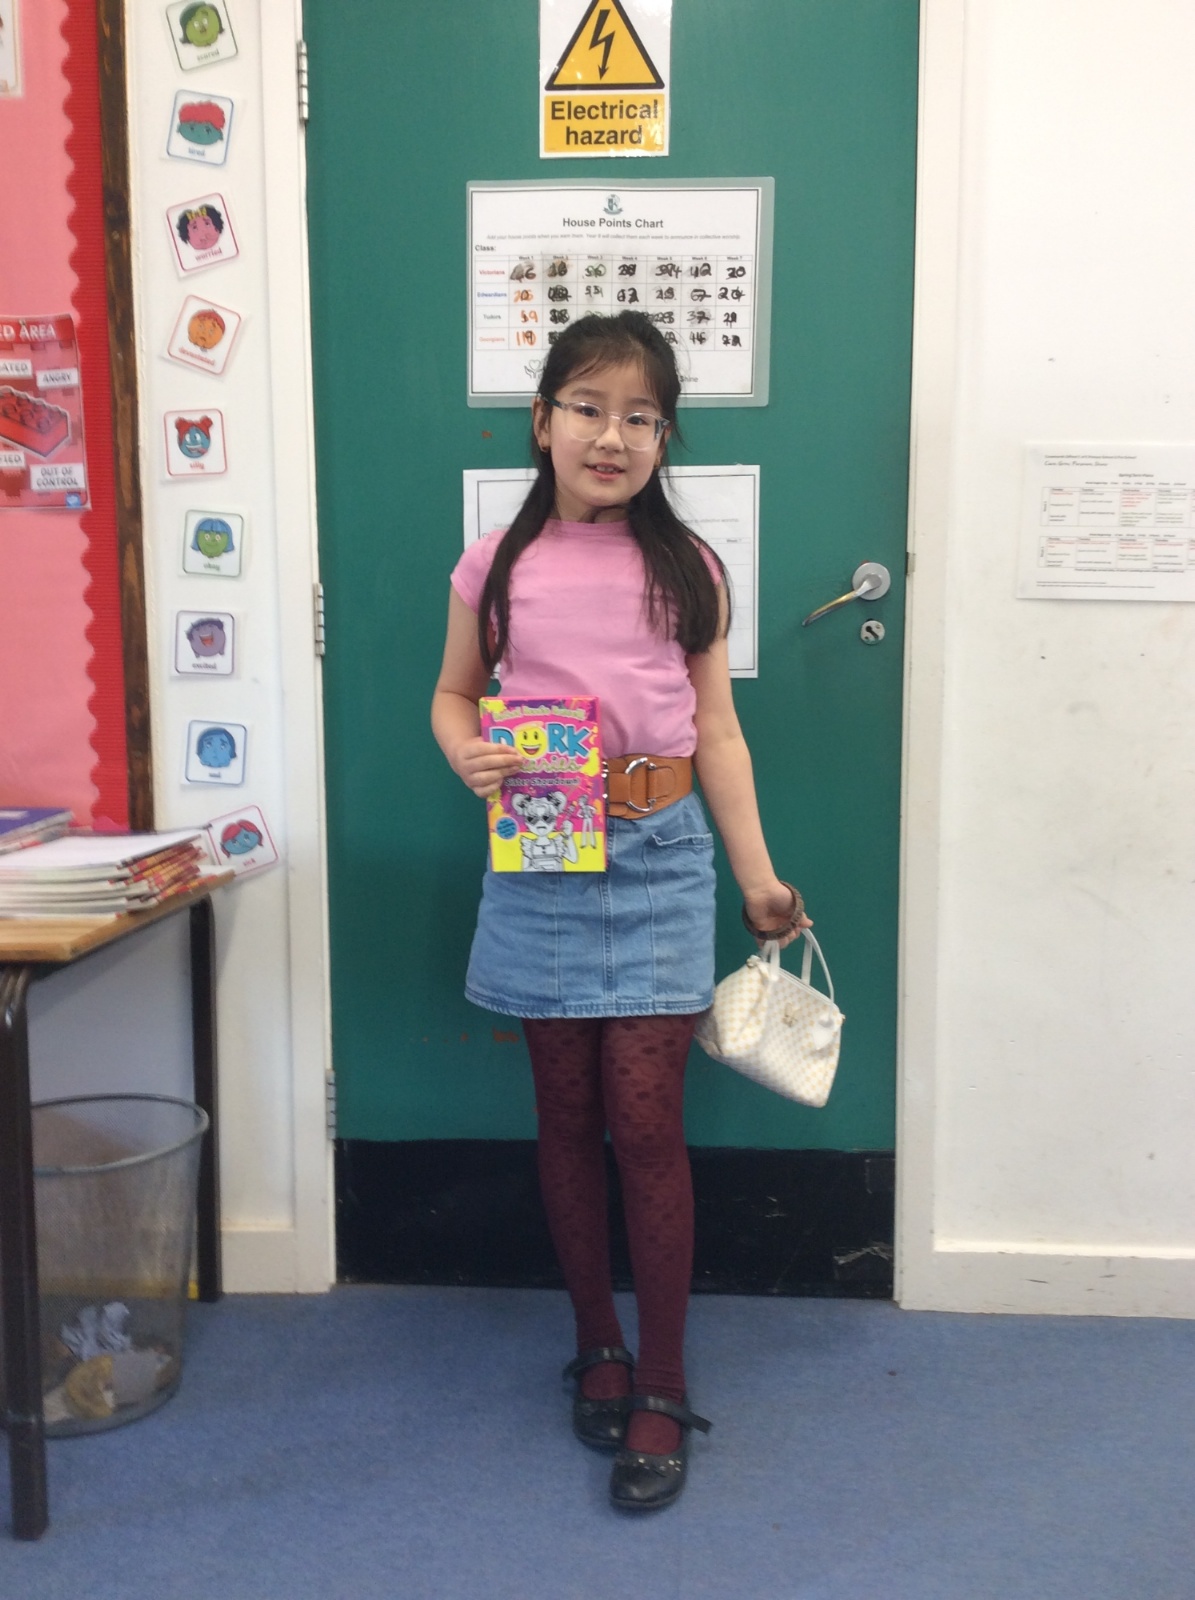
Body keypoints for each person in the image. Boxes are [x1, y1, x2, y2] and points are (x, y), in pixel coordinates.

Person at [431, 311, 809, 1512]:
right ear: (541, 421)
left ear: (664, 439)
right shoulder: (493, 565)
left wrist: (756, 878)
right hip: (540, 856)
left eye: (641, 417)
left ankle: (664, 1374)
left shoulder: (689, 567)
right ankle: (595, 1339)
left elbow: (720, 735)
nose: (613, 435)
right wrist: (464, 752)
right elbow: (451, 695)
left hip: (658, 858)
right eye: (588, 408)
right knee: (565, 1115)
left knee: (646, 1124)